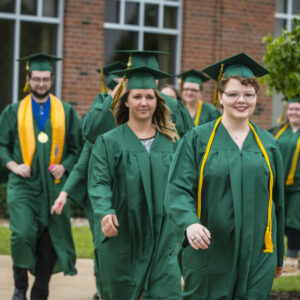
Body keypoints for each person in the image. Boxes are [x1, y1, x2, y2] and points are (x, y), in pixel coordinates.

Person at [165, 53, 285, 299]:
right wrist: (189, 222)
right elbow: (178, 189)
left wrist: (278, 254)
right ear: (219, 97)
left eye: (248, 95)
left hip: (258, 254)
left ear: (256, 98)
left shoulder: (269, 145)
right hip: (210, 250)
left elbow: (278, 204)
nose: (241, 100)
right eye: (233, 94)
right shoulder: (198, 139)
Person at [88, 65, 182, 300]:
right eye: (137, 96)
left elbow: (183, 187)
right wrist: (104, 211)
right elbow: (99, 182)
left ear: (157, 101)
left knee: (166, 294)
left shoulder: (171, 143)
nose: (144, 102)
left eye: (149, 97)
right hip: (123, 235)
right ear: (126, 101)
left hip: (163, 238)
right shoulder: (108, 142)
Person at [0, 53, 82, 300]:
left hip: (54, 186)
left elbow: (77, 149)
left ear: (52, 78)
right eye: (36, 79)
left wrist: (65, 166)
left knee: (50, 238)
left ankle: (40, 291)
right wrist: (14, 166)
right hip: (23, 185)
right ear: (28, 79)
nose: (41, 84)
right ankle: (19, 285)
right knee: (22, 233)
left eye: (46, 79)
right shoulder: (13, 111)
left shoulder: (66, 111)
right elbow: (1, 145)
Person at [51, 61, 126, 300]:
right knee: (102, 248)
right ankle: (103, 290)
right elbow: (83, 162)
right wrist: (64, 193)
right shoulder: (99, 128)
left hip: (131, 198)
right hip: (102, 200)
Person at [82, 50, 194, 143]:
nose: (143, 103)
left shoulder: (174, 106)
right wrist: (114, 97)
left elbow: (191, 144)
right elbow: (91, 133)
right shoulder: (111, 102)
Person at [270, 96, 300, 272]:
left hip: (298, 187)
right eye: (291, 109)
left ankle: (291, 256)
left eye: (297, 109)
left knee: (294, 219)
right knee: (279, 218)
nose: (293, 112)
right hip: (279, 185)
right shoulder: (277, 131)